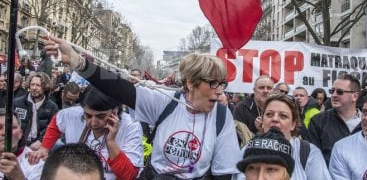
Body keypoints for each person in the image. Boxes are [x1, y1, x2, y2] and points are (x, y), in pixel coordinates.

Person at [44, 36, 241, 179]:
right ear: (191, 83)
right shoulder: (165, 102)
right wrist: (77, 61)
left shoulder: (222, 118)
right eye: (213, 83)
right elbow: (119, 87)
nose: (219, 91)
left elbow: (222, 175)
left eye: (222, 84)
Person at [27, 87, 144, 180]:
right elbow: (57, 122)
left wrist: (111, 143)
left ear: (115, 112)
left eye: (101, 116)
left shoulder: (131, 126)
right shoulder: (73, 114)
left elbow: (129, 176)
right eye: (87, 115)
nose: (93, 122)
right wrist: (44, 148)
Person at [236, 94, 330, 180]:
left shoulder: (309, 152)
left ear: (293, 124)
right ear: (262, 121)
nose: (275, 119)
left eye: (283, 116)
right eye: (269, 114)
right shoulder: (248, 148)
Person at [307, 74, 362, 165]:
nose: (334, 95)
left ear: (355, 96)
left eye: (340, 92)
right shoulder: (318, 121)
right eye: (332, 91)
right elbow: (313, 160)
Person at [12, 72, 59, 150]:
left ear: (45, 87)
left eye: (38, 85)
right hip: (19, 144)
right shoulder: (17, 103)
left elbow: (53, 129)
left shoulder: (52, 107)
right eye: (32, 84)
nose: (34, 88)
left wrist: (41, 141)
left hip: (41, 146)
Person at [0, 109, 44, 180]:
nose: (5, 132)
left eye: (12, 127)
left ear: (20, 133)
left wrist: (19, 177)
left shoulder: (35, 162)